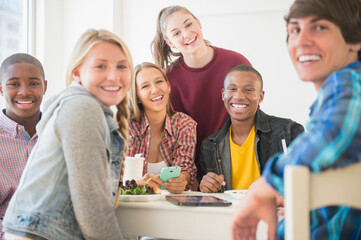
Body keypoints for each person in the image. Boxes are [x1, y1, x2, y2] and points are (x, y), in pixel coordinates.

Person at [231, 0, 361, 239]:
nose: (301, 40)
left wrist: (266, 185)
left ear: (354, 39)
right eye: (295, 30)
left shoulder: (351, 82)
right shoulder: (333, 98)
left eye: (319, 27)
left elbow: (334, 132)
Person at [3, 29, 133, 240]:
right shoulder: (83, 107)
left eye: (122, 66)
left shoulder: (83, 106)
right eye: (101, 66)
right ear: (77, 73)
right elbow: (92, 207)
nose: (113, 75)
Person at [151, 6, 252, 176]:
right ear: (169, 42)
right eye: (176, 33)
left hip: (238, 162)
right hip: (192, 170)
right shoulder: (169, 79)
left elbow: (252, 115)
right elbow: (173, 133)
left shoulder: (236, 63)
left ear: (198, 23)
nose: (186, 34)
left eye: (189, 25)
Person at [198, 64, 304, 193]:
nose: (239, 96)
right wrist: (205, 186)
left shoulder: (287, 132)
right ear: (223, 94)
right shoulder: (210, 146)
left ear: (260, 96)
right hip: (230, 213)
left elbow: (304, 184)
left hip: (274, 212)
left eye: (248, 90)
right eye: (232, 89)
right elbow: (208, 195)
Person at [128, 62, 197, 193]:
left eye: (159, 81)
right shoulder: (126, 128)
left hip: (170, 206)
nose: (154, 90)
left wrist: (182, 180)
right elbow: (114, 177)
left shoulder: (185, 125)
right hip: (132, 205)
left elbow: (185, 169)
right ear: (137, 96)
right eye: (145, 86)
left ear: (168, 86)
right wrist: (138, 183)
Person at [0, 53, 47, 239]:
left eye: (34, 83)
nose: (25, 92)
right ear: (1, 89)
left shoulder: (61, 133)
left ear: (45, 87)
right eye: (14, 84)